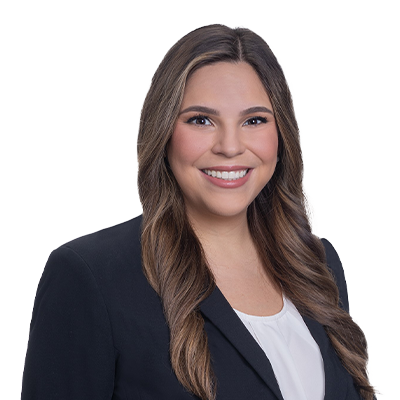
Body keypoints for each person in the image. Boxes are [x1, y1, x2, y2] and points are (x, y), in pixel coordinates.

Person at [21, 24, 377, 400]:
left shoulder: (317, 263)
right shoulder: (90, 277)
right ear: (163, 132)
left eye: (254, 120)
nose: (230, 146)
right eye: (201, 120)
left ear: (281, 134)